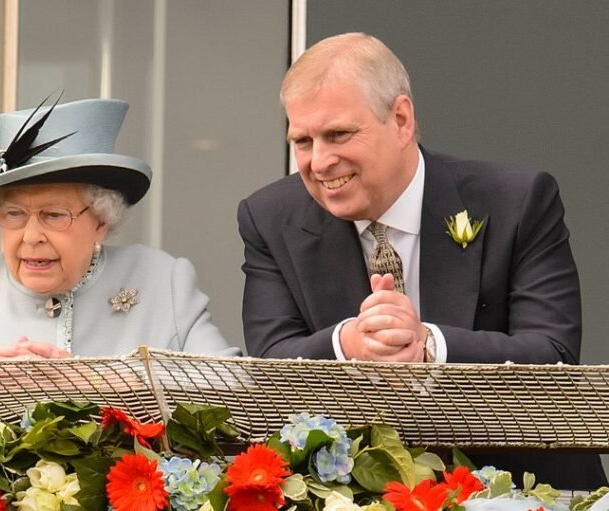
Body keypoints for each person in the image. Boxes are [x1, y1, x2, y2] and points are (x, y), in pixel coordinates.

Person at [237, 33, 604, 489]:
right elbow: (269, 368)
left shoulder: (517, 201)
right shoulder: (269, 217)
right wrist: (348, 343)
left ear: (402, 119)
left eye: (338, 134)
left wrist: (428, 345)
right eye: (303, 141)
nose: (319, 161)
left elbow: (555, 359)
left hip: (525, 488)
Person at [0, 96, 239, 361]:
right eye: (13, 215)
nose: (31, 237)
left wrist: (96, 382)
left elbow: (234, 389)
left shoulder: (162, 281)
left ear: (102, 223)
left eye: (54, 215)